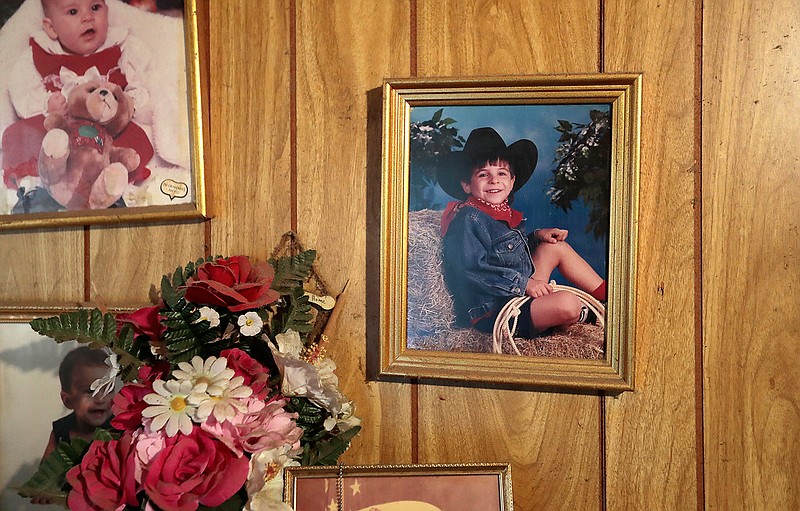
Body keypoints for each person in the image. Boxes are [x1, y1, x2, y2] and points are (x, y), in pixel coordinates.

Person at [438, 127, 607, 338]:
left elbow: (504, 254)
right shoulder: (468, 218)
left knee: (555, 248)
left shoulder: (499, 214)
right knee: (568, 303)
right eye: (483, 174)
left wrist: (536, 236)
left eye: (502, 173)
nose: (494, 180)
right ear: (466, 185)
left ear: (511, 183)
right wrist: (524, 283)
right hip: (495, 310)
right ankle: (582, 314)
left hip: (516, 295)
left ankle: (607, 297)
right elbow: (471, 269)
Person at [2, 0, 155, 211]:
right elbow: (20, 87)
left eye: (95, 7)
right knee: (18, 134)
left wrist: (128, 105)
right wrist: (48, 106)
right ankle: (37, 184)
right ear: (51, 28)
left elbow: (144, 81)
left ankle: (108, 186)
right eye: (73, 11)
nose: (87, 17)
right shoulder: (41, 51)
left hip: (107, 135)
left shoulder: (121, 45)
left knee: (138, 140)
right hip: (60, 128)